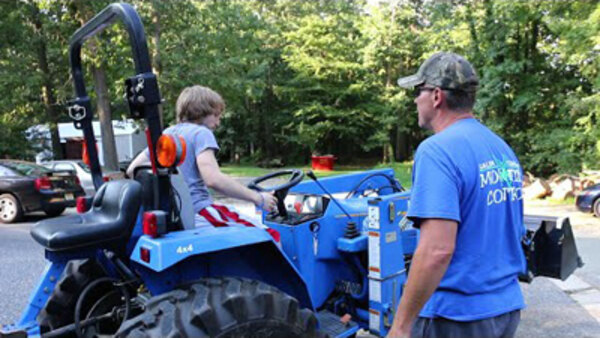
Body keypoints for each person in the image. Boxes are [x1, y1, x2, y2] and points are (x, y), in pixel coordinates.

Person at [388, 52, 526, 338]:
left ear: (436, 96)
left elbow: (437, 250)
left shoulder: (437, 151)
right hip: (505, 309)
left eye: (418, 91)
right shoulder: (501, 149)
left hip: (456, 317)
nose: (415, 100)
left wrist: (400, 326)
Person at [127, 85, 280, 241]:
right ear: (202, 111)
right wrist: (258, 198)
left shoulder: (167, 134)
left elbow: (133, 170)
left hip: (173, 215)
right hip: (198, 211)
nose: (218, 122)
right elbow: (213, 179)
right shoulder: (201, 133)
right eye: (216, 115)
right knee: (271, 236)